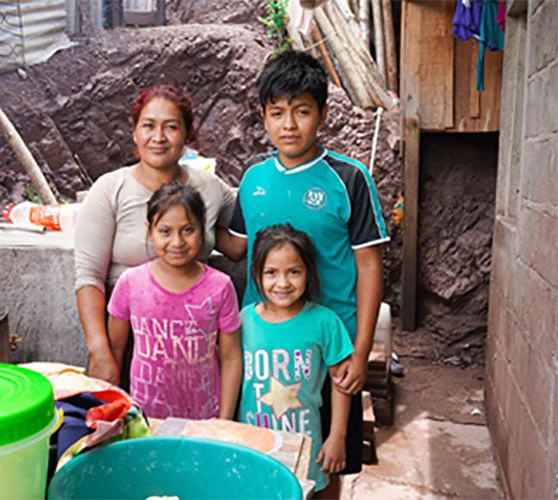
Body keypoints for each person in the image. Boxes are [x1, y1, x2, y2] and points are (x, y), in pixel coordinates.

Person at [217, 49, 388, 493]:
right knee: (258, 463)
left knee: (326, 466)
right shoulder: (253, 179)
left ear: (323, 114)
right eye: (277, 113)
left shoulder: (348, 179)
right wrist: (185, 213)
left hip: (333, 353)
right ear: (263, 116)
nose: (289, 125)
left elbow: (370, 265)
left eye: (302, 111)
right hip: (264, 352)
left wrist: (362, 349)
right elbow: (236, 245)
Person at [74, 84, 236, 386]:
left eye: (171, 127)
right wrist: (100, 352)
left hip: (194, 345)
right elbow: (88, 277)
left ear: (187, 135)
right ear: (134, 132)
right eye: (148, 126)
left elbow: (239, 241)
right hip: (126, 340)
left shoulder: (212, 190)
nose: (158, 138)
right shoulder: (110, 190)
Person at [106, 182, 242, 420]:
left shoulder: (220, 286)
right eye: (165, 231)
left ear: (202, 230)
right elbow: (115, 351)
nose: (177, 242)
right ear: (149, 231)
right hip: (146, 419)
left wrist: (225, 420)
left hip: (205, 418)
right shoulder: (130, 283)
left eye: (187, 230)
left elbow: (231, 357)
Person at [238, 224, 353, 494]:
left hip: (305, 445)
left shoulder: (325, 322)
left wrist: (337, 436)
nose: (283, 283)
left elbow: (341, 382)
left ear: (308, 273)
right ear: (257, 274)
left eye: (294, 272)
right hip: (254, 444)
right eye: (271, 273)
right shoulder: (243, 321)